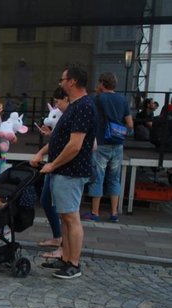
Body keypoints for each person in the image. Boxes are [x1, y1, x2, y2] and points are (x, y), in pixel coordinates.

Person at [38, 65, 96, 279]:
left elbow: (75, 145)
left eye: (63, 79)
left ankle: (74, 263)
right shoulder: (75, 105)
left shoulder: (83, 107)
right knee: (65, 217)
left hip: (70, 171)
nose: (60, 82)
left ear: (72, 81)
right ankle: (66, 258)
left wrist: (53, 164)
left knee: (71, 218)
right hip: (64, 171)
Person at [82, 72, 133, 223]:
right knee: (114, 178)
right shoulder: (123, 99)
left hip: (101, 142)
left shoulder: (98, 99)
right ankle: (114, 213)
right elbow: (130, 124)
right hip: (118, 144)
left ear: (102, 84)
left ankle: (95, 212)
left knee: (98, 177)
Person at [30, 87, 69, 260]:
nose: (56, 105)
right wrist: (43, 150)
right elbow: (58, 140)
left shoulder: (72, 115)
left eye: (58, 102)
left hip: (62, 168)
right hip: (53, 165)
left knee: (66, 212)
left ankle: (64, 248)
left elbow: (76, 144)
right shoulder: (63, 116)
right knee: (46, 200)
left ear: (67, 99)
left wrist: (53, 163)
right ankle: (58, 238)